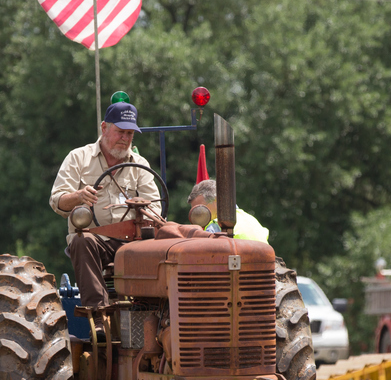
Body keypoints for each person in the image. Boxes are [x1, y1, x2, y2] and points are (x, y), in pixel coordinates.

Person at [50, 101, 163, 307]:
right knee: (81, 240)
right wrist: (78, 196)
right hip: (96, 241)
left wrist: (143, 207)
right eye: (120, 132)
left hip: (133, 241)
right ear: (104, 128)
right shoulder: (78, 158)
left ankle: (153, 314)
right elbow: (57, 201)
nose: (125, 139)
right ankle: (98, 315)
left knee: (168, 243)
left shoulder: (140, 164)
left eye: (130, 134)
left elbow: (156, 207)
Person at [186, 179, 269, 242]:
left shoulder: (215, 226)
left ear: (217, 200)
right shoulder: (252, 220)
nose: (198, 216)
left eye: (200, 210)